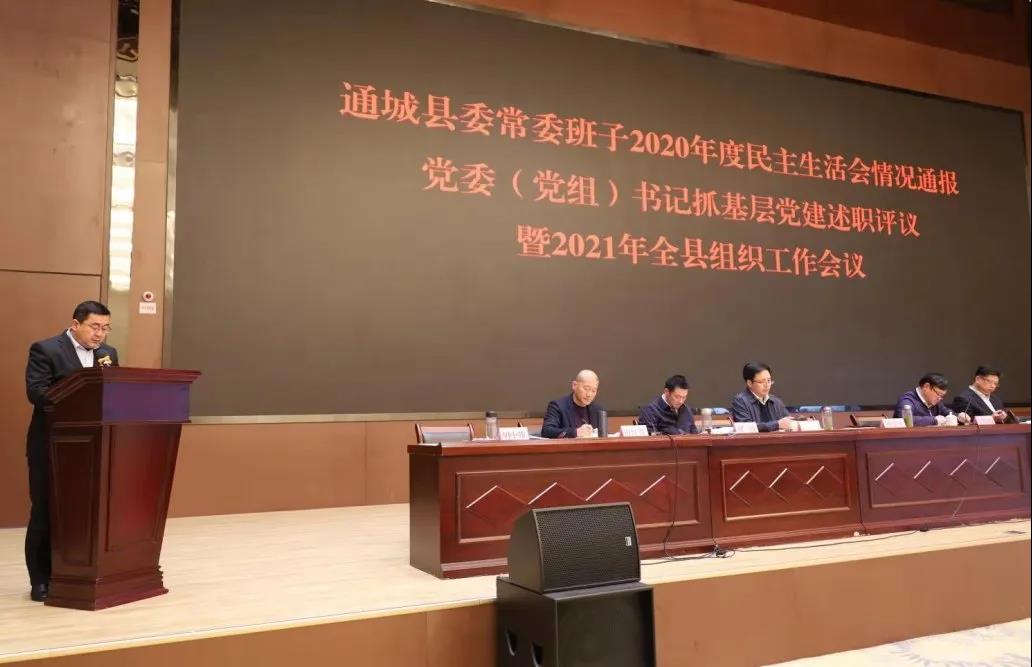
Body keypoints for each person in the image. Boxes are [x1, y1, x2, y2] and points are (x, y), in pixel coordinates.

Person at [24, 300, 118, 602]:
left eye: (106, 328)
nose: (100, 334)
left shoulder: (108, 354)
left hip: (93, 448)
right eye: (95, 327)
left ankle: (79, 573)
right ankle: (40, 580)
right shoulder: (46, 350)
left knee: (84, 512)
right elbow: (36, 392)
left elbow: (114, 392)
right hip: (51, 445)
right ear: (76, 324)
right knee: (45, 511)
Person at [731, 362, 793, 432]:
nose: (767, 385)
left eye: (769, 381)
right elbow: (746, 428)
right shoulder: (740, 401)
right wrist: (776, 424)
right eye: (762, 382)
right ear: (749, 383)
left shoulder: (776, 401)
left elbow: (788, 422)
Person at [541, 370, 604, 438]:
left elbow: (603, 435)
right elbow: (547, 431)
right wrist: (575, 432)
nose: (589, 394)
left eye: (594, 391)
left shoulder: (598, 410)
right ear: (574, 385)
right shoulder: (557, 406)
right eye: (586, 388)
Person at [893, 372, 970, 427]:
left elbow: (947, 413)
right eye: (938, 394)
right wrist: (934, 420)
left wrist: (958, 416)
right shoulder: (907, 400)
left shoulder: (936, 402)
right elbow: (906, 420)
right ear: (926, 387)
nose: (940, 398)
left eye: (942, 396)